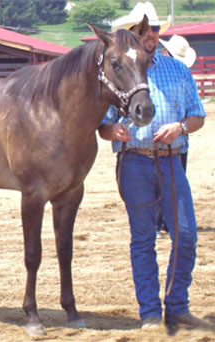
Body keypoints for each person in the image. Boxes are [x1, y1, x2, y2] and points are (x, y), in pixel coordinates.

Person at [98, 1, 209, 333]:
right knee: (143, 239)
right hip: (134, 162)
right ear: (133, 34)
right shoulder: (122, 70)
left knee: (186, 235)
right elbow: (103, 125)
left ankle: (177, 307)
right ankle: (150, 313)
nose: (151, 34)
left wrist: (180, 127)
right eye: (145, 29)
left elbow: (197, 115)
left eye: (156, 29)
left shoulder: (177, 70)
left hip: (172, 161)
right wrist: (111, 131)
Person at [156, 35, 197, 236]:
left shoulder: (182, 77)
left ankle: (166, 222)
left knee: (176, 179)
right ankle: (160, 221)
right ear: (166, 53)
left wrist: (182, 127)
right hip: (159, 136)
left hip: (179, 137)